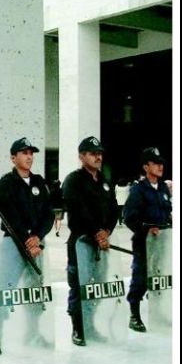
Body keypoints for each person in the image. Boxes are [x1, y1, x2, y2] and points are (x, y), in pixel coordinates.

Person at [0, 137, 54, 355]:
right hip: (14, 244)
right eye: (24, 153)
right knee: (5, 290)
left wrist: (38, 236)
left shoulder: (39, 182)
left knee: (35, 290)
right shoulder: (6, 183)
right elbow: (8, 213)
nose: (29, 157)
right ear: (13, 158)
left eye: (31, 153)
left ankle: (33, 332)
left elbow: (48, 214)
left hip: (36, 244)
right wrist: (27, 238)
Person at [61, 136, 118, 346]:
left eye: (99, 153)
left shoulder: (104, 181)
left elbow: (114, 209)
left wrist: (107, 231)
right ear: (82, 156)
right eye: (93, 153)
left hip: (101, 244)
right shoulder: (73, 181)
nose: (98, 157)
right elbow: (78, 210)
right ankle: (78, 328)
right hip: (81, 242)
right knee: (79, 287)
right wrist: (96, 232)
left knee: (97, 287)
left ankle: (90, 325)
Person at [123, 147, 172, 332]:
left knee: (162, 277)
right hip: (145, 242)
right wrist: (146, 229)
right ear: (145, 167)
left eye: (161, 163)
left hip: (163, 242)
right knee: (141, 277)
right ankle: (134, 314)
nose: (160, 166)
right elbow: (129, 217)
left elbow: (166, 211)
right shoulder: (138, 190)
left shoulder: (163, 188)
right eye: (155, 163)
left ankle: (160, 312)